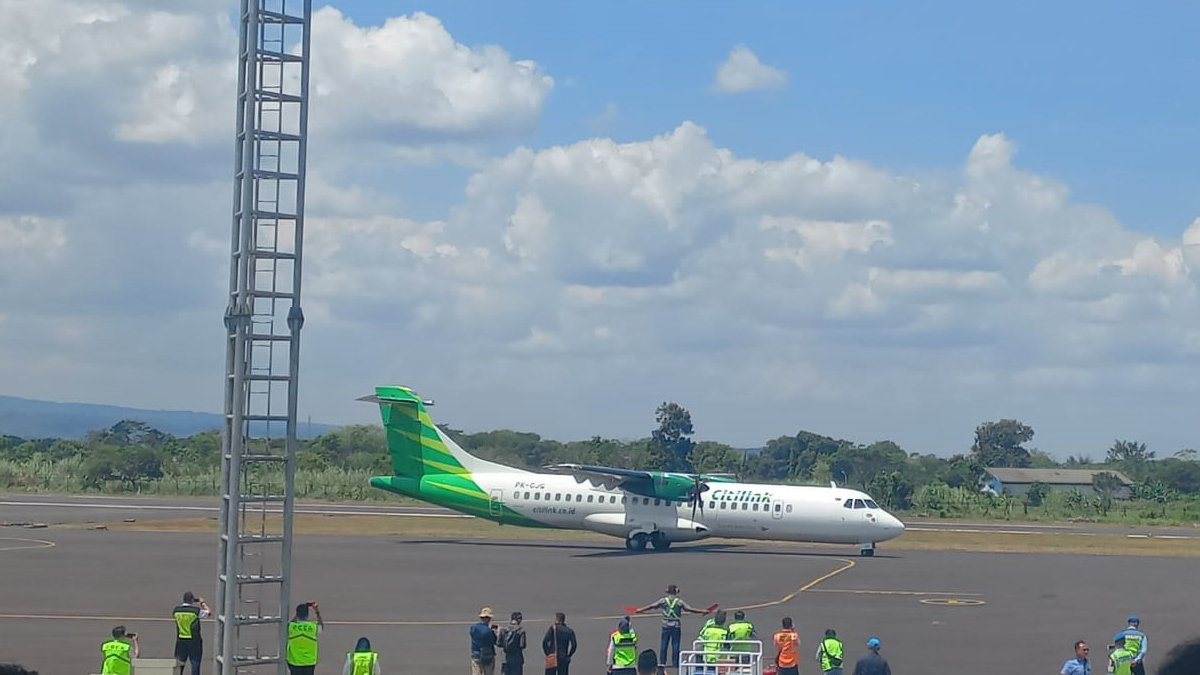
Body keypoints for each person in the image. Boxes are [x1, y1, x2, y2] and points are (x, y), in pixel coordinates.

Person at [634, 584, 710, 669]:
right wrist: (703, 611)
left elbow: (651, 606)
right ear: (676, 591)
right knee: (675, 645)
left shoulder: (663, 601)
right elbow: (690, 609)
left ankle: (662, 662)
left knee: (664, 644)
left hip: (665, 625)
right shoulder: (679, 602)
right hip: (676, 625)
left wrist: (640, 610)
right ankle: (675, 663)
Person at [173, 591, 210, 675]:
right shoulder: (195, 611)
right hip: (194, 640)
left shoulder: (176, 611)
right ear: (192, 600)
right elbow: (208, 612)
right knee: (195, 662)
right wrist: (202, 603)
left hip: (181, 639)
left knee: (179, 663)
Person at [287, 602, 324, 675]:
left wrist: (302, 609)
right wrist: (317, 611)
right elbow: (321, 627)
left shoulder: (291, 626)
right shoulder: (313, 627)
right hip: (309, 662)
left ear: (297, 614)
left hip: (294, 662)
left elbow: (289, 624)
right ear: (307, 615)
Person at [471, 607, 500, 675]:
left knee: (476, 672)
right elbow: (495, 641)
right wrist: (498, 633)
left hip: (476, 654)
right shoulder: (489, 632)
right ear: (489, 619)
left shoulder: (473, 628)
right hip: (487, 656)